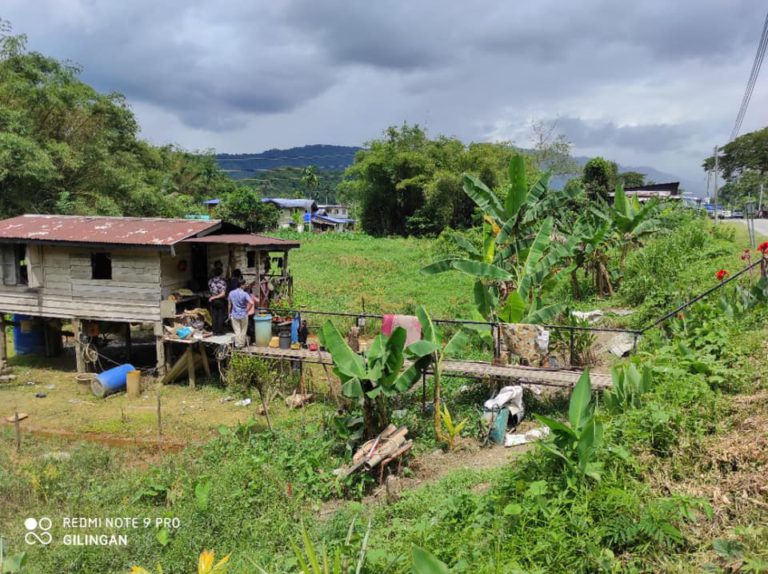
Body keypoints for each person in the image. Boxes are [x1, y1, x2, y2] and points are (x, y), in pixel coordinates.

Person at [228, 277, 251, 348]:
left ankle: (238, 345)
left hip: (234, 314)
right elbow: (252, 302)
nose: (245, 286)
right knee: (243, 330)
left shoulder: (231, 293)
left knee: (237, 330)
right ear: (241, 285)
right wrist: (247, 310)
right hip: (243, 314)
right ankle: (242, 344)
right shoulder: (245, 294)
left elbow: (229, 304)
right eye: (244, 285)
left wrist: (229, 313)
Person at [207, 261, 227, 335]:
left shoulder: (210, 281)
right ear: (221, 273)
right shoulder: (222, 281)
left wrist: (213, 297)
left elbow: (211, 290)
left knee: (214, 316)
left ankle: (214, 331)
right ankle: (219, 331)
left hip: (212, 300)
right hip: (219, 300)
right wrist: (216, 297)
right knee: (220, 316)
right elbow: (223, 294)